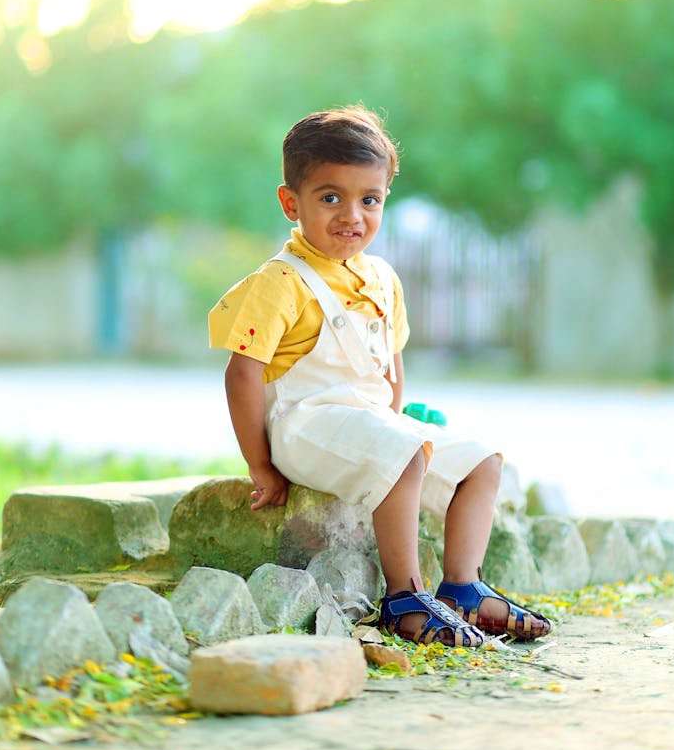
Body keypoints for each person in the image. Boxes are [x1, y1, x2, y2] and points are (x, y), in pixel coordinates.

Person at [209, 106, 551, 648]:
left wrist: (398, 419)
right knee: (403, 454)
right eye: (330, 198)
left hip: (369, 425)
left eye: (369, 199)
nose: (352, 214)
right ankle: (403, 599)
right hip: (306, 427)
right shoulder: (279, 282)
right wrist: (261, 465)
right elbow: (242, 374)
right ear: (290, 202)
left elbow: (391, 363)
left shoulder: (382, 278)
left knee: (480, 462)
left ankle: (462, 587)